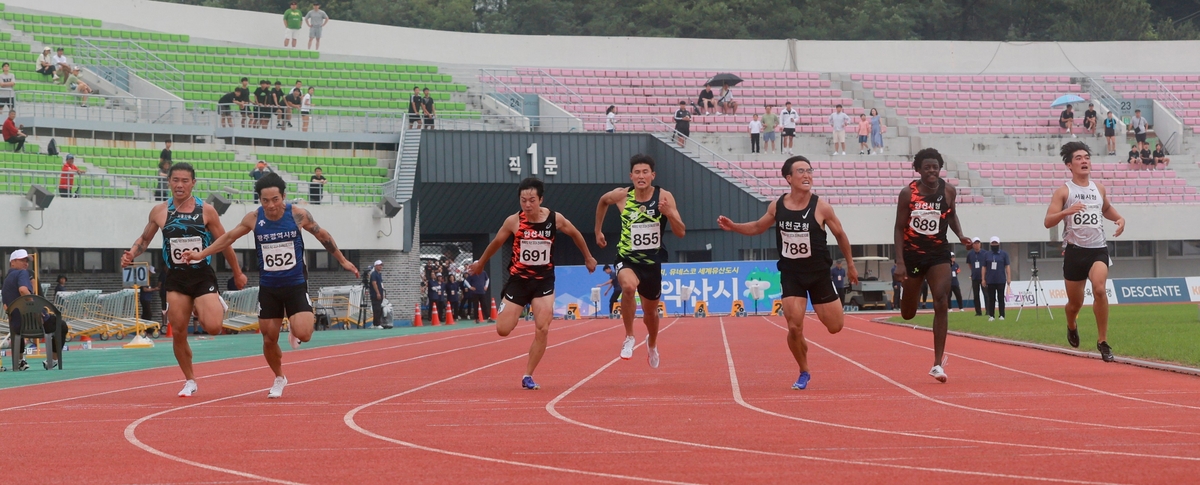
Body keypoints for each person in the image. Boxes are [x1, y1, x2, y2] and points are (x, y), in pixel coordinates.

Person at [183, 172, 358, 398]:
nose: (271, 205)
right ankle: (279, 377)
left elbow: (322, 235)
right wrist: (201, 254)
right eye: (265, 201)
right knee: (268, 337)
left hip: (295, 284)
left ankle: (295, 328)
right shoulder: (254, 218)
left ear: (283, 196)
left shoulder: (297, 215)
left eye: (275, 199)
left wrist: (343, 260)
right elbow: (228, 238)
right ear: (260, 200)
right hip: (269, 287)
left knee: (304, 334)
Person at [718, 155, 857, 389]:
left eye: (809, 170)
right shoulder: (778, 205)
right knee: (794, 325)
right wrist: (734, 227)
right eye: (801, 171)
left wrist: (851, 265)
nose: (806, 175)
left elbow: (840, 235)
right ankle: (804, 370)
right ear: (788, 178)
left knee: (835, 326)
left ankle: (805, 345)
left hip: (819, 273)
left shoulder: (821, 206)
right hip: (792, 273)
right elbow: (757, 227)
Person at [121, 162, 247, 397]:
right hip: (176, 278)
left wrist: (237, 272)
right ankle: (190, 380)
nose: (180, 185)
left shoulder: (206, 210)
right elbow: (145, 239)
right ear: (169, 182)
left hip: (201, 276)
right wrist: (131, 253)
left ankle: (207, 304)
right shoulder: (159, 211)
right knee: (178, 331)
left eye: (185, 181)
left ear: (193, 183)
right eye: (175, 180)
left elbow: (225, 242)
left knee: (213, 327)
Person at [468, 177, 597, 390]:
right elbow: (496, 243)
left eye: (532, 200)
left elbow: (576, 234)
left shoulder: (555, 219)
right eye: (523, 200)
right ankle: (515, 310)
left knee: (542, 328)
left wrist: (588, 257)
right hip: (519, 281)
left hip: (543, 281)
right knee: (502, 329)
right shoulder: (514, 221)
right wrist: (481, 263)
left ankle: (528, 375)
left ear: (541, 199)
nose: (527, 205)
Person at [595, 155, 686, 369]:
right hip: (626, 259)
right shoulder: (621, 195)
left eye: (645, 172)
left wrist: (670, 214)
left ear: (652, 175)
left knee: (650, 313)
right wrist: (598, 231)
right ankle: (629, 336)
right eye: (637, 172)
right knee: (627, 286)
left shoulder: (664, 196)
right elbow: (602, 201)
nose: (641, 176)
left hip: (652, 262)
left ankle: (652, 344)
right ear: (631, 176)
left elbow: (681, 232)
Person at [892, 148, 972, 383]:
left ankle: (937, 363)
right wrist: (899, 262)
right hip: (912, 255)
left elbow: (951, 215)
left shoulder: (948, 191)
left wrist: (960, 235)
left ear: (940, 168)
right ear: (918, 169)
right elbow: (898, 227)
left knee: (941, 300)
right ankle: (908, 294)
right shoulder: (908, 193)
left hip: (938, 253)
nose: (931, 170)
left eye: (935, 166)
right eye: (927, 167)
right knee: (908, 313)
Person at [1044, 141, 1125, 363]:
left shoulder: (1098, 189)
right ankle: (1071, 324)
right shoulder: (1064, 191)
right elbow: (1047, 222)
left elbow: (1106, 208)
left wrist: (1119, 217)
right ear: (1069, 165)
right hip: (1074, 252)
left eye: (1086, 157)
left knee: (1100, 289)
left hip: (1098, 249)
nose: (1084, 161)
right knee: (1075, 304)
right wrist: (1066, 211)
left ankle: (1102, 341)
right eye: (1078, 158)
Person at [4, 250, 64, 371]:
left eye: (26, 261)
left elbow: (6, 306)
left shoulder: (6, 281)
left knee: (18, 330)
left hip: (16, 326)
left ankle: (20, 360)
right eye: (22, 260)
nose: (25, 263)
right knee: (61, 325)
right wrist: (35, 306)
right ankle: (52, 360)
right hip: (36, 323)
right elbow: (23, 290)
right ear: (12, 262)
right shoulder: (22, 273)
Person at [980, 236, 1010, 321]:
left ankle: (1002, 315)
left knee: (1001, 298)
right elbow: (984, 267)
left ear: (999, 244)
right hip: (990, 279)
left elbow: (1007, 266)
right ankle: (991, 315)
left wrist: (1009, 278)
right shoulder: (987, 255)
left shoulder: (1004, 254)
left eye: (996, 243)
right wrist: (983, 279)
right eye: (993, 243)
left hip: (1001, 279)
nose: (994, 244)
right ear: (990, 244)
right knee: (991, 298)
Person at [965, 237, 984, 316]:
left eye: (978, 243)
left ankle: (989, 311)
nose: (977, 245)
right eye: (975, 243)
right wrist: (973, 271)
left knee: (986, 294)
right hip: (975, 277)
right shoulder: (970, 254)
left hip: (983, 277)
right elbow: (969, 264)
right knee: (976, 295)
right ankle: (978, 312)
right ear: (972, 245)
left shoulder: (985, 253)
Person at [369, 260, 390, 328]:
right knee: (376, 309)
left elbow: (381, 284)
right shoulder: (374, 274)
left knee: (379, 309)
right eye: (379, 265)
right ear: (375, 266)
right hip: (375, 294)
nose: (381, 266)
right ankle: (377, 324)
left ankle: (375, 323)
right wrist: (377, 293)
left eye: (381, 265)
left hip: (380, 294)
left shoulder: (379, 274)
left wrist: (382, 293)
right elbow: (374, 283)